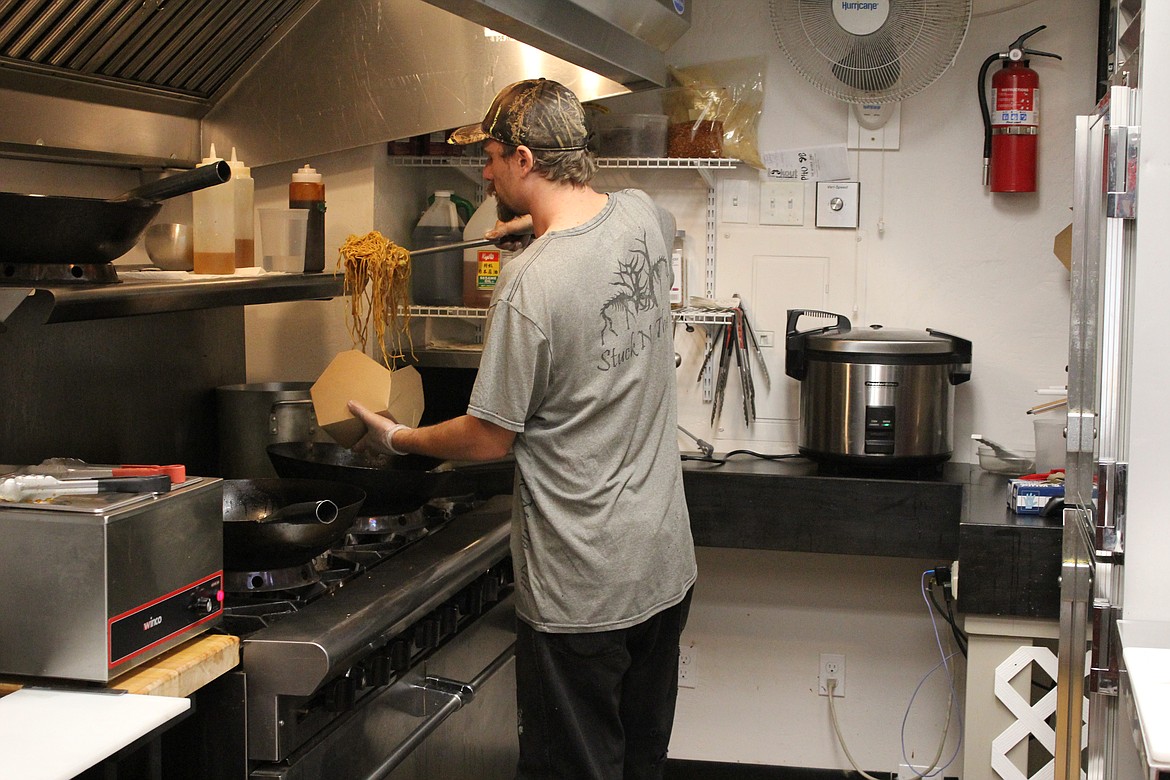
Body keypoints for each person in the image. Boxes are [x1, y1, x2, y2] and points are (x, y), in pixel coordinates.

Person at [348, 78, 696, 780]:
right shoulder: (642, 218)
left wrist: (398, 438)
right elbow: (607, 237)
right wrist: (534, 225)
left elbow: (488, 437)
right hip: (663, 566)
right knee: (639, 764)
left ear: (527, 159)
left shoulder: (530, 285)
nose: (485, 171)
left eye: (494, 157)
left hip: (583, 585)